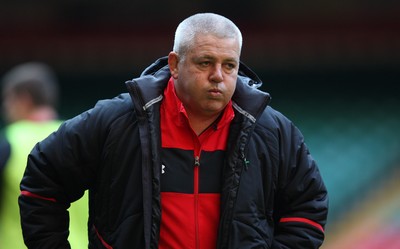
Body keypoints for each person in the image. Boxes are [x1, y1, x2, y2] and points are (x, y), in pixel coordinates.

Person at [18, 13, 328, 249]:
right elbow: (42, 183)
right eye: (205, 62)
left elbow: (308, 208)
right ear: (175, 64)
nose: (218, 76)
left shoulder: (272, 130)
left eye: (229, 65)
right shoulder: (116, 120)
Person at [0, 62, 88, 249]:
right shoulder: (82, 139)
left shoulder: (9, 140)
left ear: (24, 99)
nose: (5, 108)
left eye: (7, 100)